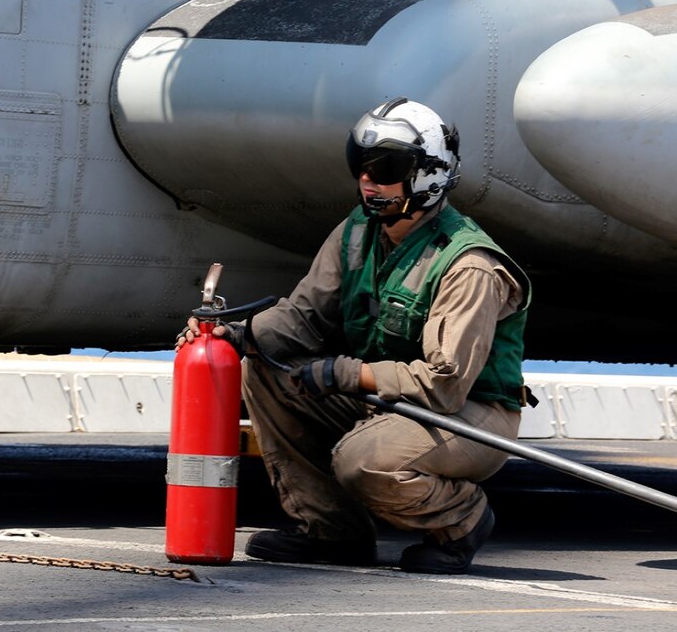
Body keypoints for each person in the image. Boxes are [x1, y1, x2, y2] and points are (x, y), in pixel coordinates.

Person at [177, 97, 530, 574]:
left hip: (473, 413)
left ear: (426, 174)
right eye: (360, 164)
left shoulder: (469, 266)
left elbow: (444, 385)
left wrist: (349, 373)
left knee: (362, 461)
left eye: (384, 166)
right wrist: (235, 335)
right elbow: (303, 318)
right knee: (269, 370)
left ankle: (461, 519)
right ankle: (333, 531)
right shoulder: (358, 232)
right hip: (389, 397)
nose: (368, 179)